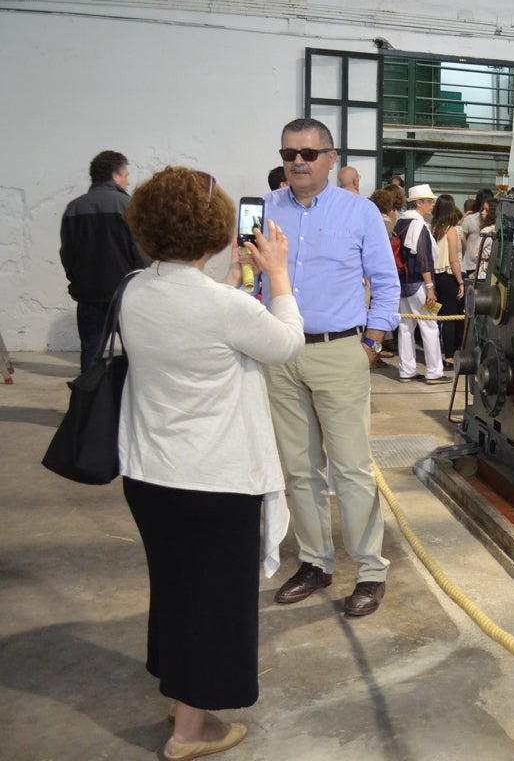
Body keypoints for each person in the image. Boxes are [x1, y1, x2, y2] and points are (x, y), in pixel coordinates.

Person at [119, 167, 304, 761]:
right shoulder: (223, 308)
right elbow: (285, 343)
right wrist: (277, 274)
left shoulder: (135, 290)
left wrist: (231, 281)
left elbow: (195, 323)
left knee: (177, 590)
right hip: (212, 481)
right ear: (214, 229)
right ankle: (190, 731)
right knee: (214, 603)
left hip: (150, 474)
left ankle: (178, 692)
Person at [263, 118, 401, 618]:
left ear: (331, 157)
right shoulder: (265, 210)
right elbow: (248, 280)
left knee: (351, 469)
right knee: (299, 469)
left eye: (309, 153)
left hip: (340, 350)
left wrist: (371, 343)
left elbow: (385, 282)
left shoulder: (359, 212)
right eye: (289, 153)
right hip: (280, 353)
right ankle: (315, 562)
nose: (298, 161)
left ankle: (370, 570)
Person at [59, 151, 149, 373]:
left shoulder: (74, 208)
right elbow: (141, 254)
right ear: (115, 175)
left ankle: (88, 405)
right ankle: (126, 404)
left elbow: (67, 253)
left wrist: (75, 284)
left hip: (89, 296)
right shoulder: (129, 206)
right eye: (126, 175)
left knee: (91, 353)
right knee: (134, 353)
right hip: (125, 296)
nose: (128, 181)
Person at [393, 185, 446, 383]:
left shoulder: (400, 223)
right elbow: (423, 259)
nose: (432, 204)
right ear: (418, 203)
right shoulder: (419, 225)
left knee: (405, 327)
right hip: (420, 285)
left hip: (402, 283)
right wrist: (430, 288)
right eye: (428, 201)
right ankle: (434, 372)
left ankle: (406, 371)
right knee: (429, 325)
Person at [430, 194, 465, 367]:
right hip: (447, 278)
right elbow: (454, 260)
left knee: (433, 315)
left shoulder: (430, 227)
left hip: (431, 279)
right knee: (449, 317)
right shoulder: (451, 231)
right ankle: (449, 356)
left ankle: (433, 353)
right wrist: (461, 282)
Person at [461, 188, 493, 283]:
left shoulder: (470, 219)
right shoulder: (496, 223)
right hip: (485, 266)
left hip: (470, 263)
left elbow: (462, 239)